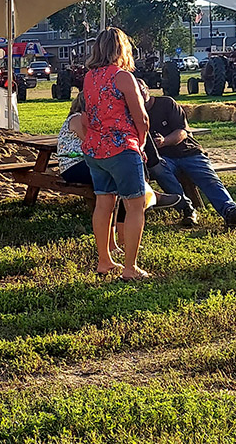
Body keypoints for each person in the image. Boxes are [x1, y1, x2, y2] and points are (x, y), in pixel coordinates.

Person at [57, 93, 180, 255]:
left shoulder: (90, 120)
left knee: (123, 178)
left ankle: (122, 239)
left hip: (90, 162)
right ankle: (147, 197)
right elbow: (93, 142)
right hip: (74, 166)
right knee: (119, 180)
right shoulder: (77, 118)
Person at [81, 27, 150, 281]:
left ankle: (104, 260)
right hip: (121, 147)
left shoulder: (89, 77)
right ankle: (130, 267)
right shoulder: (123, 77)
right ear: (122, 49)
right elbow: (141, 116)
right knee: (135, 206)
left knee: (103, 203)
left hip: (95, 149)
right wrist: (141, 141)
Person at [138, 80, 236, 229]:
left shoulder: (167, 104)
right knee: (158, 170)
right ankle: (186, 208)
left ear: (148, 89)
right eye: (135, 91)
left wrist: (164, 141)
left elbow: (182, 132)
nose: (140, 93)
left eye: (142, 89)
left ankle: (230, 210)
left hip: (189, 152)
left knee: (209, 179)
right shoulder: (133, 112)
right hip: (163, 158)